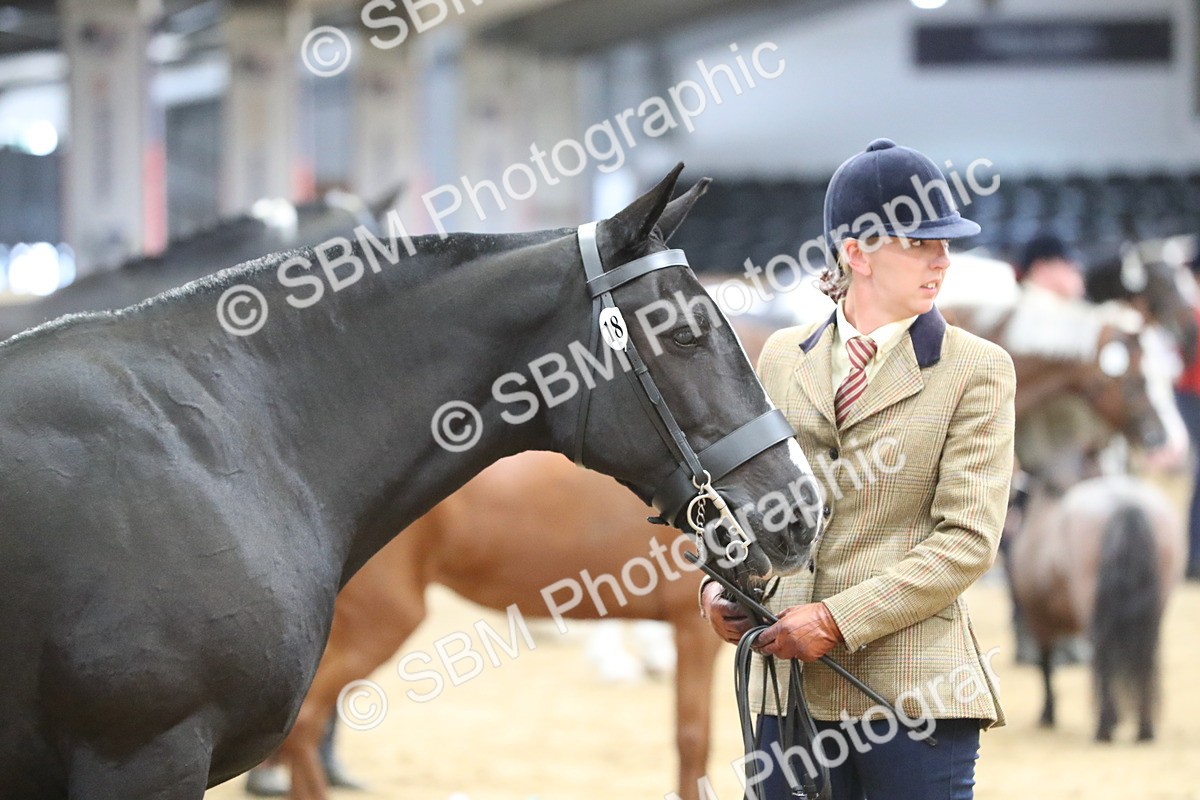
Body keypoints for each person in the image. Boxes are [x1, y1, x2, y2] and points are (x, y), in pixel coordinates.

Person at [701, 138, 1015, 799]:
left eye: (944, 243)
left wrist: (836, 619)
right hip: (785, 691)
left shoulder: (977, 370)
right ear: (857, 254)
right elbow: (742, 505)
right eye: (920, 243)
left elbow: (967, 540)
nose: (942, 258)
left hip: (914, 692)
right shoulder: (781, 356)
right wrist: (716, 586)